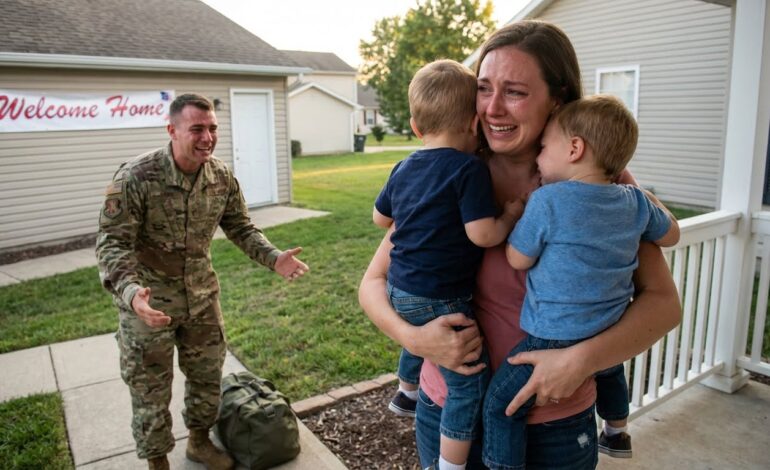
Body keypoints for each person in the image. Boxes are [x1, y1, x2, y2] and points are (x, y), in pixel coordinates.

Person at [359, 20, 681, 470]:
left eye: (515, 92)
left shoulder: (599, 182)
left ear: (558, 100)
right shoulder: (450, 170)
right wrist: (415, 339)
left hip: (554, 423)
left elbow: (664, 304)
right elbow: (373, 283)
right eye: (484, 88)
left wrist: (578, 361)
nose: (493, 108)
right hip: (445, 410)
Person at [96, 93, 309, 470]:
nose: (207, 137)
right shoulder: (136, 177)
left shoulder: (221, 176)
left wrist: (273, 257)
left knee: (207, 378)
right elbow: (113, 243)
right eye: (197, 129)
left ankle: (198, 442)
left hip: (201, 299)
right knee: (149, 389)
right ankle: (157, 461)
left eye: (212, 128)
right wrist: (131, 294)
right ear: (172, 130)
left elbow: (240, 227)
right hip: (148, 303)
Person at [482, 94, 681, 469]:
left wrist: (516, 220)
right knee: (609, 368)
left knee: (500, 405)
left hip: (554, 334)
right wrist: (647, 198)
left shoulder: (547, 201)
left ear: (574, 149)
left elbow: (517, 258)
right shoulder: (635, 202)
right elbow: (671, 235)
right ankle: (616, 429)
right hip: (609, 327)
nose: (539, 158)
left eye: (544, 148)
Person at [372, 59, 523, 470]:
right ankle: (450, 465)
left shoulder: (403, 166)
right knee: (468, 384)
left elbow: (380, 218)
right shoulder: (468, 169)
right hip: (441, 298)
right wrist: (510, 216)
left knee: (417, 326)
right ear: (475, 124)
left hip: (398, 289)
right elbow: (483, 235)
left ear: (415, 127)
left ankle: (407, 389)